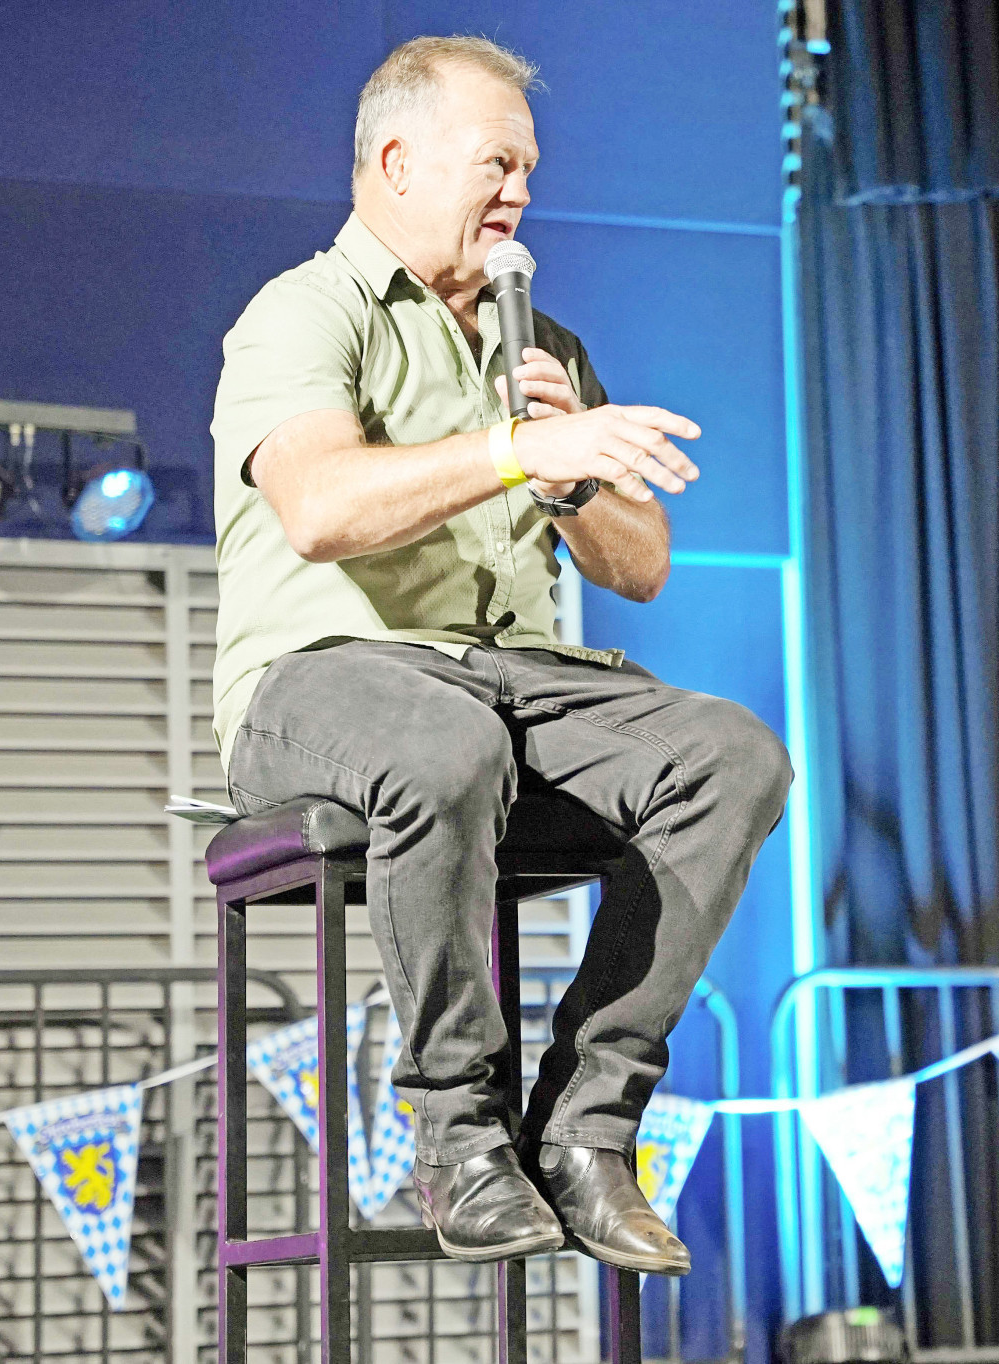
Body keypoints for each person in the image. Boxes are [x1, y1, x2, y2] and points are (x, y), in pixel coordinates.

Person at [209, 35, 792, 1273]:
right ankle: (455, 1134)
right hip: (326, 679)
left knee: (731, 756)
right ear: (396, 159)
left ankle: (585, 1126)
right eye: (497, 162)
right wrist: (512, 453)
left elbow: (638, 567)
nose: (520, 190)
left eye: (527, 166)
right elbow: (318, 509)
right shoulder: (302, 312)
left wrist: (572, 454)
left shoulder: (545, 342)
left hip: (520, 684)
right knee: (441, 739)